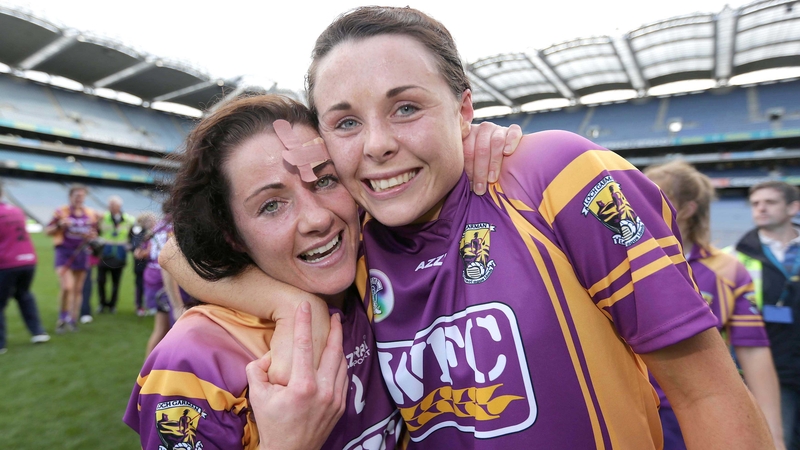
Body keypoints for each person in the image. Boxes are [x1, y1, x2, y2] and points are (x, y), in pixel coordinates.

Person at [163, 6, 774, 449]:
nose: (377, 145)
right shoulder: (353, 245)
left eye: (406, 107)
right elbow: (178, 254)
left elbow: (708, 393)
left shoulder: (554, 176)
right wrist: (294, 306)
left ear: (462, 108)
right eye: (346, 123)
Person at [125, 95, 402, 450]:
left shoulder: (380, 272)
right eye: (271, 205)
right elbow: (174, 251)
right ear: (231, 235)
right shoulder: (193, 359)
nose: (318, 218)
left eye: (325, 181)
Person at [645, 160, 785, 449]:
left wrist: (775, 435)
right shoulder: (616, 263)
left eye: (654, 197)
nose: (637, 204)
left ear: (686, 209)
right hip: (629, 411)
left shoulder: (727, 269)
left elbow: (754, 351)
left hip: (699, 415)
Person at [729, 180, 800, 450]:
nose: (760, 208)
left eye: (769, 202)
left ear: (793, 207)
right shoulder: (735, 258)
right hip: (771, 373)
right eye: (756, 203)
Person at [0, 182, 49, 353]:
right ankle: (38, 332)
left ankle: (1, 343)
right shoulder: (15, 210)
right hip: (28, 261)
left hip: (6, 263)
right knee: (24, 294)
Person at [45, 184, 98, 333]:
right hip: (64, 253)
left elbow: (94, 233)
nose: (79, 198)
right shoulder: (61, 212)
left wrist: (92, 236)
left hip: (82, 254)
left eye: (82, 196)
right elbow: (47, 231)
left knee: (77, 289)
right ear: (70, 197)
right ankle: (62, 318)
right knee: (67, 286)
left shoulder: (90, 213)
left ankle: (72, 320)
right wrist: (60, 226)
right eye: (76, 195)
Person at [135, 217, 186, 358]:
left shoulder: (159, 225)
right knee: (172, 331)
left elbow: (140, 251)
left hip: (154, 275)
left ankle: (147, 374)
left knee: (162, 329)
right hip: (167, 278)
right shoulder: (177, 225)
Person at [96, 195, 135, 314]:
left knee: (116, 282)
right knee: (101, 281)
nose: (112, 207)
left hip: (119, 255)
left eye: (114, 205)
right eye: (110, 205)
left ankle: (112, 304)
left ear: (119, 206)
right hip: (104, 253)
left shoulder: (129, 219)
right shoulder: (103, 217)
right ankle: (102, 303)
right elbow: (97, 232)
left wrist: (130, 246)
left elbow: (132, 236)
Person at [130, 212, 156, 316]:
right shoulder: (140, 233)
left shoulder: (154, 232)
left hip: (150, 264)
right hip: (141, 265)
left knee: (149, 285)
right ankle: (139, 306)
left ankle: (150, 305)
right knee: (140, 285)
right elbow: (137, 250)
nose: (153, 222)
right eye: (150, 220)